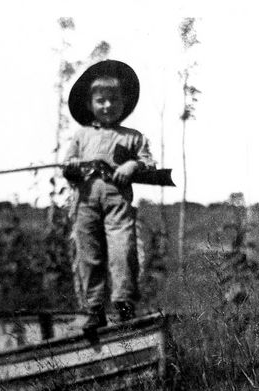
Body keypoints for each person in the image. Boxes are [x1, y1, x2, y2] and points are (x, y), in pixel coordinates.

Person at [63, 59, 156, 332]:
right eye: (101, 101)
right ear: (91, 104)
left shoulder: (133, 137)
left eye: (113, 100)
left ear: (123, 103)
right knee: (88, 255)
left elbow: (148, 163)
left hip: (117, 204)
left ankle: (124, 306)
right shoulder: (82, 135)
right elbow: (68, 166)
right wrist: (72, 170)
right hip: (85, 203)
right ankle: (93, 308)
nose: (107, 106)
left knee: (122, 252)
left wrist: (132, 165)